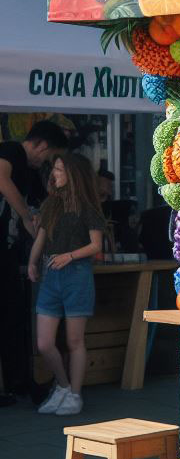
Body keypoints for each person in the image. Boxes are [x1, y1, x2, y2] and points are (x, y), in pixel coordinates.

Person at [29, 153, 107, 416]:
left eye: (60, 169)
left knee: (75, 340)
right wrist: (32, 261)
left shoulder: (88, 207)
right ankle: (62, 386)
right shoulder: (51, 204)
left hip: (77, 274)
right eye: (55, 169)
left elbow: (96, 245)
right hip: (51, 274)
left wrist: (70, 255)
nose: (55, 173)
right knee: (44, 343)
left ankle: (74, 394)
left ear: (73, 174)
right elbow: (41, 237)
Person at [0, 120, 69, 406]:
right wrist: (27, 217)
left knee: (13, 315)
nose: (46, 160)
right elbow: (2, 179)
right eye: (49, 154)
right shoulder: (12, 150)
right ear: (40, 144)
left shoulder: (30, 172)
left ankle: (19, 382)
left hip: (10, 249)